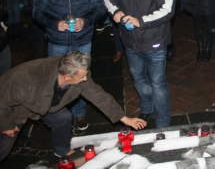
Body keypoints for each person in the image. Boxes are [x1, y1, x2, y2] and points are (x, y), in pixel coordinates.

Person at [0, 51, 146, 163]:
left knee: (63, 118)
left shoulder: (77, 74)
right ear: (67, 77)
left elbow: (99, 96)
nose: (85, 79)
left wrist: (124, 118)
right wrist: (7, 124)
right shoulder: (27, 80)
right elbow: (2, 101)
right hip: (13, 109)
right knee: (4, 147)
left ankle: (62, 150)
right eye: (81, 77)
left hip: (46, 103)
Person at [33, 0, 106, 130]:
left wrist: (86, 20)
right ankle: (56, 113)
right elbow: (37, 12)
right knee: (55, 78)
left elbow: (100, 8)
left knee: (81, 77)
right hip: (57, 40)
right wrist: (54, 23)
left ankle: (79, 112)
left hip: (82, 39)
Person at [105, 0, 175, 128]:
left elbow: (168, 9)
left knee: (158, 84)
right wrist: (117, 11)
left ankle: (163, 124)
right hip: (130, 41)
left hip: (154, 41)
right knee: (138, 78)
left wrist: (141, 21)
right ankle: (147, 107)